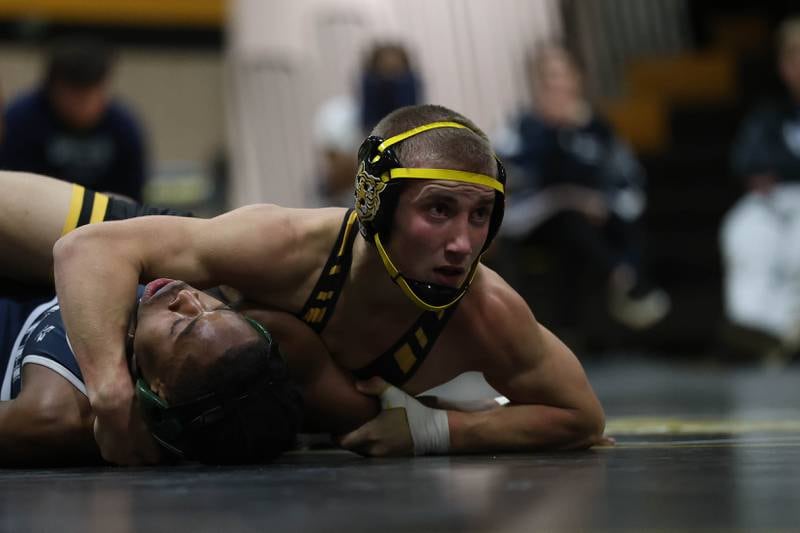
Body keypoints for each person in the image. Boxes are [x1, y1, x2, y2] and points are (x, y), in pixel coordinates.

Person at [53, 104, 611, 465]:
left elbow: (582, 417)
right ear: (377, 205)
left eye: (480, 214)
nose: (463, 244)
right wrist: (112, 395)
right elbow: (89, 249)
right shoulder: (285, 243)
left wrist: (434, 432)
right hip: (145, 284)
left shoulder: (486, 310)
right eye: (438, 210)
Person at [0, 173, 378, 466]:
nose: (186, 295)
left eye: (180, 325)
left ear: (160, 390)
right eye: (216, 307)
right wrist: (412, 423)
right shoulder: (262, 339)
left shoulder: (57, 413)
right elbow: (359, 409)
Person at [495, 45, 669, 330]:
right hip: (537, 222)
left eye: (564, 75)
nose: (557, 84)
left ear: (578, 79)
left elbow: (625, 175)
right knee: (571, 223)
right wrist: (555, 133)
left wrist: (602, 202)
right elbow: (512, 178)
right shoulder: (522, 128)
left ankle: (625, 279)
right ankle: (624, 280)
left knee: (620, 219)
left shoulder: (597, 128)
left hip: (595, 214)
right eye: (549, 77)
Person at [720, 17, 800, 359]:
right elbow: (746, 163)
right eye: (794, 58)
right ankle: (752, 324)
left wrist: (779, 169)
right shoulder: (769, 114)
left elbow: (772, 166)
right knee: (743, 230)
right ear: (784, 67)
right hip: (773, 201)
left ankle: (787, 329)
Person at [0, 36, 147, 201]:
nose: (85, 106)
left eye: (93, 95)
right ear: (52, 88)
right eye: (76, 98)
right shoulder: (20, 121)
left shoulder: (123, 127)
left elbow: (132, 197)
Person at [313, 42, 423, 207]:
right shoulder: (337, 117)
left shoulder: (429, 124)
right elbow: (333, 181)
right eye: (383, 76)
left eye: (396, 77)